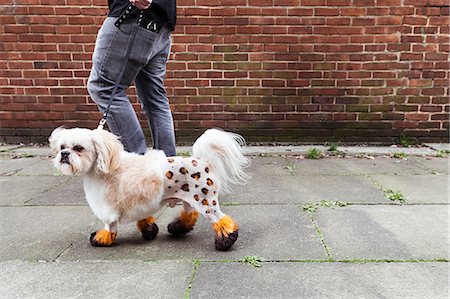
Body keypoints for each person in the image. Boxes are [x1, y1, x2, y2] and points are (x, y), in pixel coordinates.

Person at [87, 0, 177, 157]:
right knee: (154, 97)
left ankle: (137, 163)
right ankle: (168, 167)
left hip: (134, 15)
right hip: (161, 22)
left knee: (103, 87)